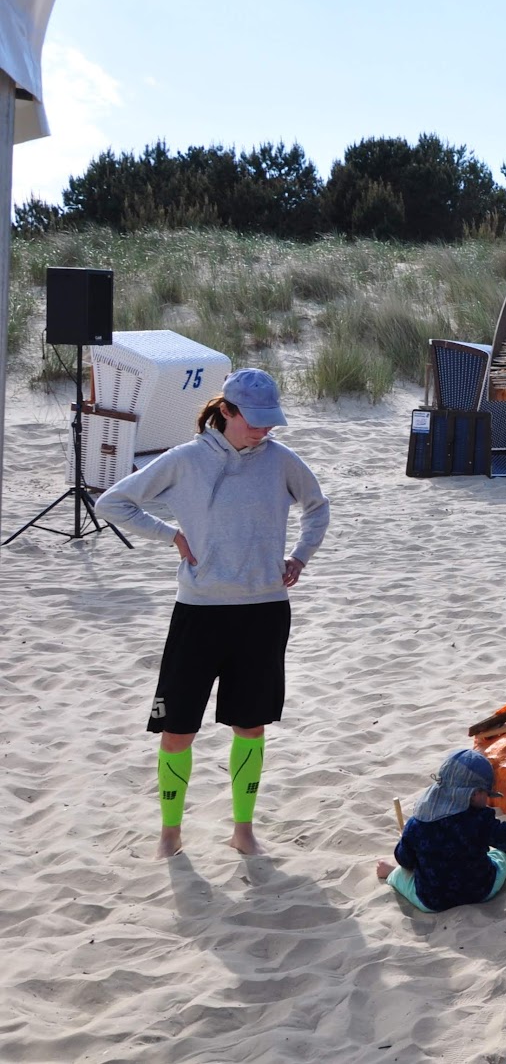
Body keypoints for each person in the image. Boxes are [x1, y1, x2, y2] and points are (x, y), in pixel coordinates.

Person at [97, 368, 330, 859]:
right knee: (178, 728)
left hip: (264, 610)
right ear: (226, 410)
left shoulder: (281, 461)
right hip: (200, 612)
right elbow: (114, 502)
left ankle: (242, 829)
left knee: (250, 725)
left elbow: (317, 507)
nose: (264, 430)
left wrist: (300, 556)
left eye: (271, 421)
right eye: (254, 420)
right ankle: (170, 832)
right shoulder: (184, 460)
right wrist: (171, 535)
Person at [376, 749, 506, 912]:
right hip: (480, 890)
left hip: (432, 901)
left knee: (401, 874)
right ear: (474, 793)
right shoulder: (480, 820)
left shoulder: (418, 823)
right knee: (503, 854)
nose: (487, 799)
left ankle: (388, 872)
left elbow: (405, 859)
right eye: (486, 794)